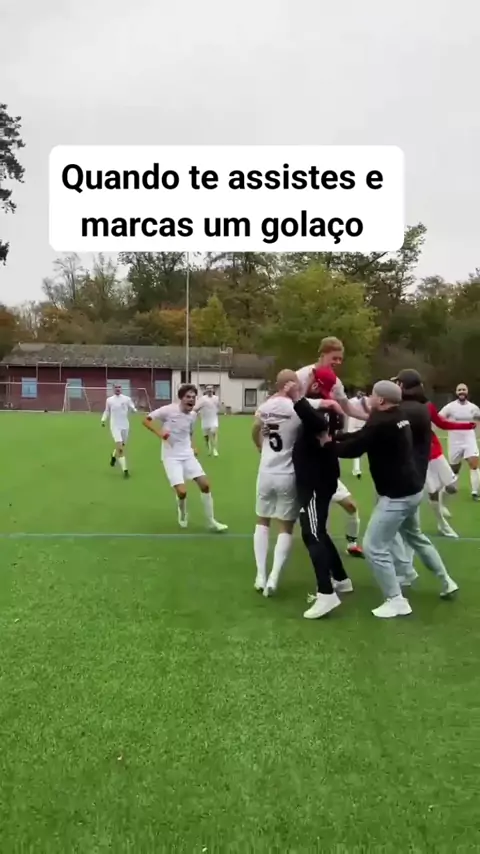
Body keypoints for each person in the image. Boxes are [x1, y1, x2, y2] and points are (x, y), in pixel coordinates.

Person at [336, 380, 458, 618]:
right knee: (416, 537)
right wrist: (339, 436)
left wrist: (325, 447)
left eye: (372, 395)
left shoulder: (383, 421)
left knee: (373, 547)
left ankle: (396, 600)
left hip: (397, 495)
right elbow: (363, 435)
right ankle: (446, 581)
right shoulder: (397, 415)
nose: (369, 398)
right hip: (413, 489)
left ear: (381, 400)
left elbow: (355, 448)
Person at [251, 369, 337, 597]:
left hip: (265, 471)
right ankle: (273, 577)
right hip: (288, 473)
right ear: (293, 384)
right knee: (285, 526)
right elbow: (323, 408)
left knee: (262, 521)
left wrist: (259, 445)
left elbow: (255, 428)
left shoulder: (265, 406)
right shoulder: (296, 407)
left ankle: (260, 575)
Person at [284, 378, 353, 620]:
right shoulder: (326, 410)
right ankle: (341, 578)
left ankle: (326, 593)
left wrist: (296, 398)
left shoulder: (325, 411)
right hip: (320, 479)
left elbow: (317, 423)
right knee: (319, 532)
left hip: (315, 483)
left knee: (311, 535)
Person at [296, 337, 367, 558]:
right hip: (303, 454)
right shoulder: (303, 375)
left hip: (325, 456)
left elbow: (347, 408)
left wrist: (370, 417)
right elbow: (291, 404)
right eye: (334, 357)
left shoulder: (336, 383)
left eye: (340, 359)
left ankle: (351, 544)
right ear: (323, 353)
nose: (337, 362)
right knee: (306, 512)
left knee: (351, 506)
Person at [143, 384, 227, 532]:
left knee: (205, 485)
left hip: (187, 454)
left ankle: (211, 521)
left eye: (194, 397)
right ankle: (182, 513)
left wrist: (193, 446)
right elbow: (146, 420)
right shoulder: (168, 410)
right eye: (188, 397)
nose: (191, 400)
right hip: (171, 457)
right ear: (181, 398)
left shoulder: (193, 416)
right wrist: (160, 433)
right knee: (182, 492)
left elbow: (189, 433)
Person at [439, 384, 480, 500]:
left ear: (467, 392)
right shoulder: (450, 407)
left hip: (469, 439)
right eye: (459, 390)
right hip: (454, 441)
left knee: (474, 464)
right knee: (454, 468)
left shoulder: (473, 408)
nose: (461, 391)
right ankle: (451, 486)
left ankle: (475, 492)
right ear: (456, 392)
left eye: (464, 390)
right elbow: (438, 418)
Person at [101, 384, 137, 478]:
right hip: (115, 426)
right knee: (120, 448)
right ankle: (125, 471)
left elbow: (132, 406)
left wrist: (134, 409)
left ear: (121, 389)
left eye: (119, 387)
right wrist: (103, 420)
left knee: (122, 445)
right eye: (116, 387)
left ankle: (113, 456)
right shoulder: (109, 400)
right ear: (113, 389)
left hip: (125, 426)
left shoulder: (126, 399)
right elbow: (107, 411)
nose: (118, 389)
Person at [195, 385, 220, 456]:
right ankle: (209, 448)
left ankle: (215, 449)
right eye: (208, 389)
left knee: (213, 432)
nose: (209, 390)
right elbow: (197, 407)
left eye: (210, 388)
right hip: (205, 419)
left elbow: (218, 406)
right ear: (205, 390)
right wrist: (197, 413)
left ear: (213, 390)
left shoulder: (216, 398)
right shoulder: (202, 399)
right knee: (206, 437)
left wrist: (216, 411)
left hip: (213, 419)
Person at [347, 391, 368, 478]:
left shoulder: (365, 400)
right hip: (357, 427)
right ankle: (356, 469)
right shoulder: (353, 401)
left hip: (359, 427)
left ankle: (357, 469)